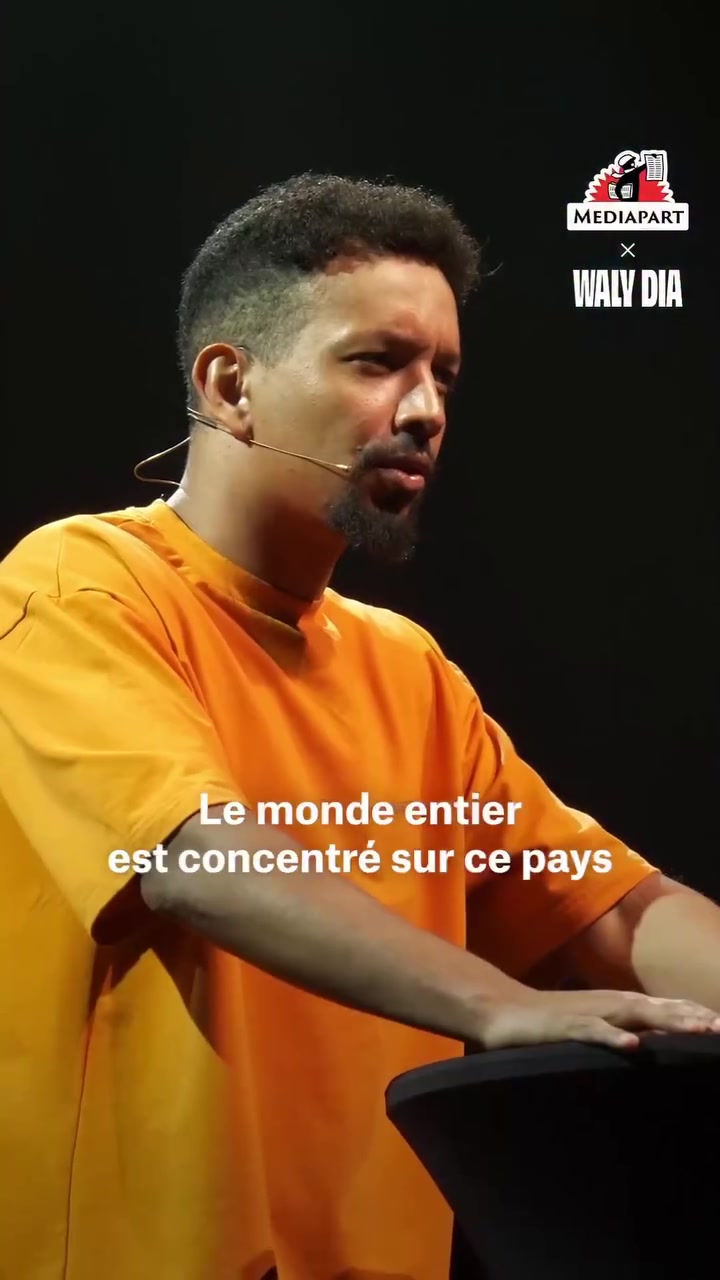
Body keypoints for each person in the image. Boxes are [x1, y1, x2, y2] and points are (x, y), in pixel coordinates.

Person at [1, 173, 719, 1280]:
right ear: (231, 384)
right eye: (379, 362)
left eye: (444, 375)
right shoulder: (77, 586)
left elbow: (612, 909)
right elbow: (194, 860)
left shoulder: (407, 669)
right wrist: (500, 1007)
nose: (426, 411)